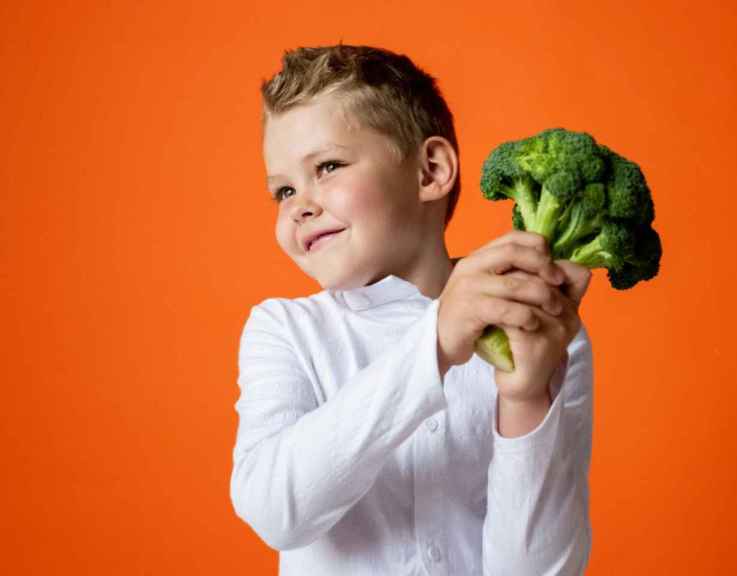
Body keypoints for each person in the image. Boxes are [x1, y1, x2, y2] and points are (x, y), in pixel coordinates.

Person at [230, 42, 594, 575]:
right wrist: (436, 344)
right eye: (283, 190)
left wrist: (524, 397)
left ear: (430, 170)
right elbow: (275, 511)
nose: (300, 204)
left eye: (327, 166)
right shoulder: (285, 330)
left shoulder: (540, 328)